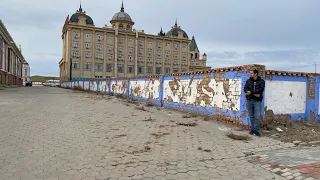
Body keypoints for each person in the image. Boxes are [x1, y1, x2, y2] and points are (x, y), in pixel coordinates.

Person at [244, 69, 265, 136]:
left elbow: (261, 89)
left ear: (256, 74)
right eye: (250, 73)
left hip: (257, 101)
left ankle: (256, 130)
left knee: (257, 116)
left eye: (252, 73)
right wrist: (252, 93)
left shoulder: (261, 81)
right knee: (251, 116)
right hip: (249, 100)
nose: (250, 74)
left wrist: (251, 92)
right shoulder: (248, 81)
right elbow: (245, 89)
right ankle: (252, 129)